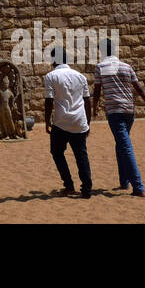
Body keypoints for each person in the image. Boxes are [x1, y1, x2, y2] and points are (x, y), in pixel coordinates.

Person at [92, 37, 145, 198]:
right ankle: (124, 181)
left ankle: (138, 186)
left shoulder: (101, 67)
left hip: (114, 112)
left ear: (101, 52)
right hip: (129, 111)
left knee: (125, 146)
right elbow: (140, 90)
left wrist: (94, 108)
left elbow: (97, 91)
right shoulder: (127, 67)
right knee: (120, 144)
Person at [43, 46, 92, 198]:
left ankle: (69, 185)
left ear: (53, 60)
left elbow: (49, 101)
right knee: (81, 155)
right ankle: (86, 190)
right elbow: (87, 101)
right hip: (79, 122)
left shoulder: (51, 76)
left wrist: (46, 121)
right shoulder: (80, 76)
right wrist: (88, 123)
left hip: (61, 122)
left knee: (57, 152)